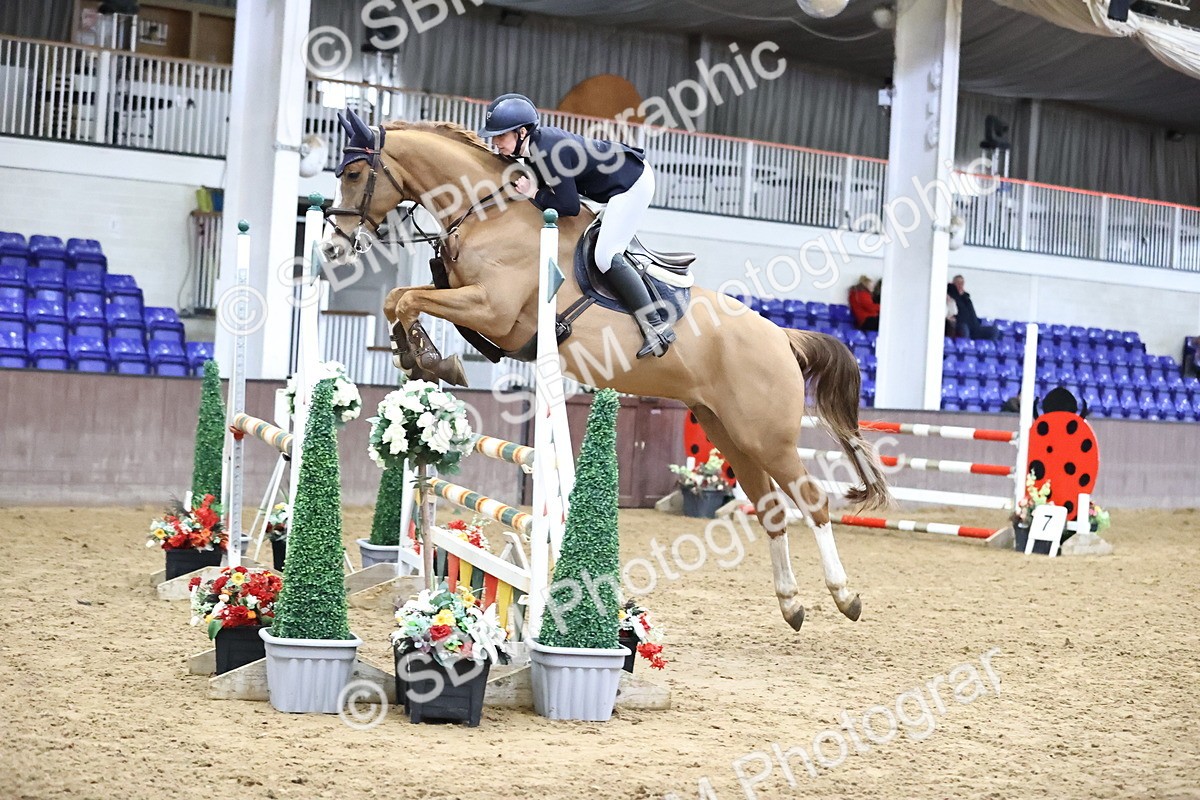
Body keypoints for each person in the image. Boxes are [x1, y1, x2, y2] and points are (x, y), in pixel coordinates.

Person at [478, 93, 675, 359]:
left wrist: (535, 194)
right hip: (614, 182)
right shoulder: (534, 148)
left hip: (631, 185)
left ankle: (656, 324)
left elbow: (569, 207)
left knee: (605, 256)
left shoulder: (547, 151)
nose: (495, 142)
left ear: (522, 132)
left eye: (501, 136)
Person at [947, 274, 998, 340]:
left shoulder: (966, 297)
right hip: (961, 325)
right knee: (964, 329)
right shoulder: (951, 295)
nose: (960, 285)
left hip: (974, 326)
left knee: (994, 330)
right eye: (958, 283)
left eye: (962, 283)